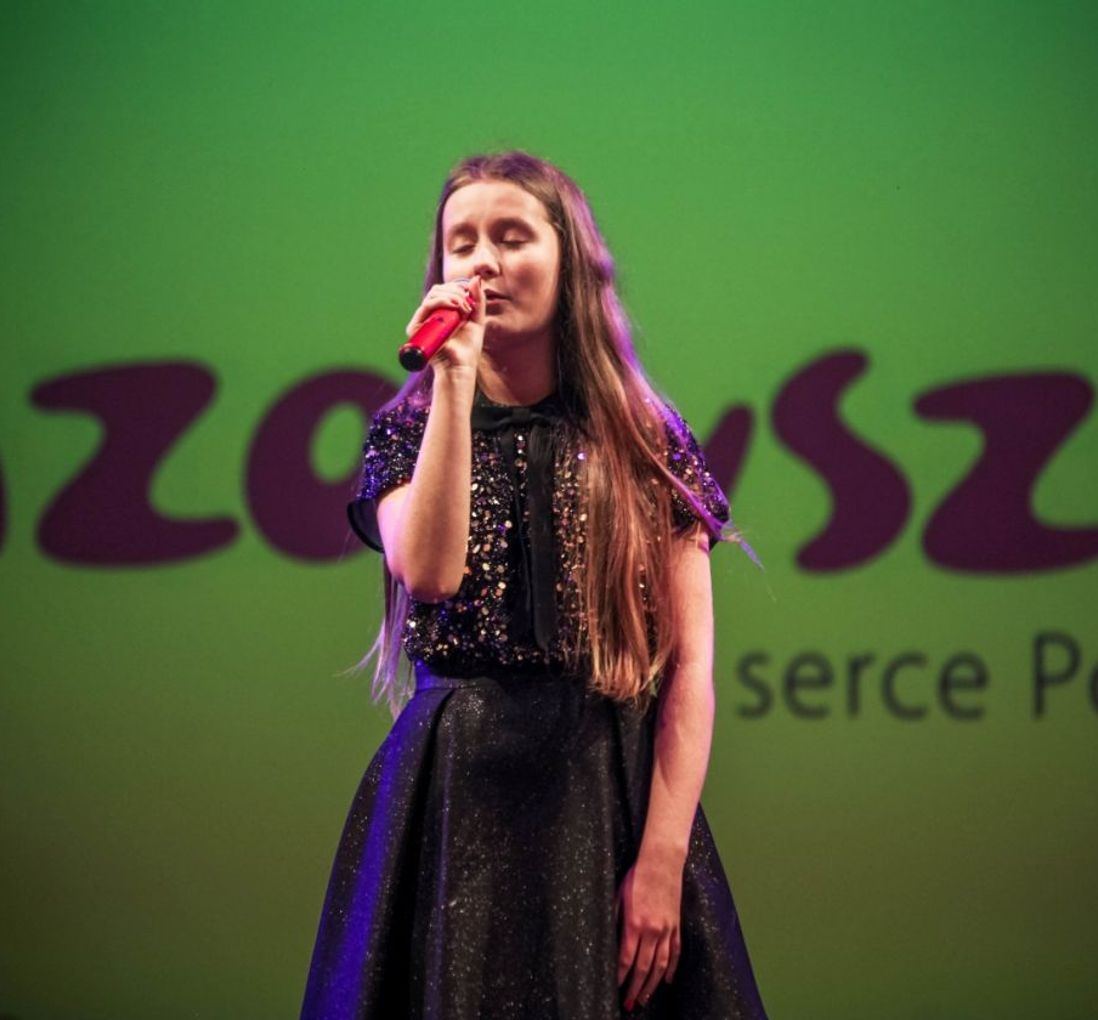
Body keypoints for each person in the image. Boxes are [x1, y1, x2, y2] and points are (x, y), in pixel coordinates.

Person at [300, 150, 768, 1018]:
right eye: (462, 242)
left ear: (569, 260)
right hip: (456, 794)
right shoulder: (406, 434)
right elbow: (431, 572)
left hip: (605, 794)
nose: (483, 261)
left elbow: (692, 667)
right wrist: (452, 381)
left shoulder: (645, 439)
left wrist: (661, 861)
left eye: (512, 237)